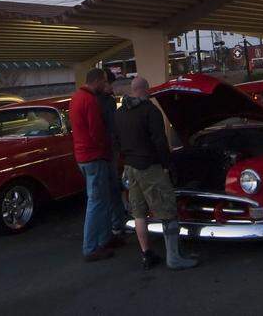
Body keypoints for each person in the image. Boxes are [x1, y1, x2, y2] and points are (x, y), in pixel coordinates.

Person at [114, 76, 197, 270]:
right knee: (167, 210)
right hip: (149, 167)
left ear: (132, 90)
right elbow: (160, 141)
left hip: (130, 168)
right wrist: (167, 164)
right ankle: (174, 257)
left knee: (139, 213)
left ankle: (147, 255)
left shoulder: (119, 114)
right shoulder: (150, 111)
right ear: (146, 89)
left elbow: (115, 141)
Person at [70, 67, 115, 262]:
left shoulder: (76, 98)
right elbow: (97, 132)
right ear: (96, 81)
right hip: (94, 156)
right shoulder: (90, 101)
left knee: (101, 200)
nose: (106, 85)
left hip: (83, 156)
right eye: (104, 82)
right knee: (96, 202)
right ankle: (90, 247)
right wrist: (108, 149)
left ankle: (104, 239)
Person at [97, 71, 129, 244]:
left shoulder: (92, 100)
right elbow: (113, 126)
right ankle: (117, 225)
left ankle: (111, 226)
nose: (112, 88)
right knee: (114, 188)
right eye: (111, 84)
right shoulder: (107, 101)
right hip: (109, 150)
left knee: (104, 192)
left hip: (99, 152)